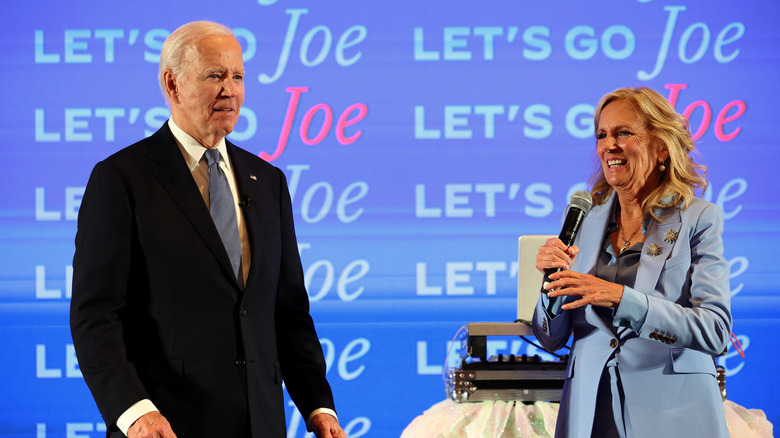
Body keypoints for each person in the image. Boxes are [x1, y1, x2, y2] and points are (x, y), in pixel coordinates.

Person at [70, 21, 346, 438]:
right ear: (173, 84)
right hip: (167, 425)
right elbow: (96, 315)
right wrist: (133, 412)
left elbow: (287, 311)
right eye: (215, 75)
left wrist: (318, 405)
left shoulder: (267, 181)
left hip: (261, 424)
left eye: (237, 77)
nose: (230, 90)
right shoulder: (122, 178)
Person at [532, 86, 732, 437]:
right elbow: (551, 339)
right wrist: (550, 287)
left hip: (673, 411)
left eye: (623, 133)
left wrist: (622, 299)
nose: (609, 145)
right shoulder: (583, 218)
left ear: (660, 146)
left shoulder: (699, 218)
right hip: (591, 409)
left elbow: (714, 331)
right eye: (602, 135)